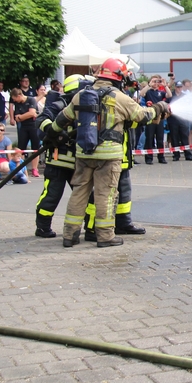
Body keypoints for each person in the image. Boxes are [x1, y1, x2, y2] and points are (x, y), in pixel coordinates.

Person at [47, 58, 167, 248]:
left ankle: (70, 235)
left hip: (84, 153)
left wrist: (51, 135)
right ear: (119, 77)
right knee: (106, 195)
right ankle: (105, 236)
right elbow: (143, 116)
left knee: (79, 192)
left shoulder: (81, 95)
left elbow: (62, 119)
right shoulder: (120, 98)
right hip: (109, 156)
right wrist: (159, 107)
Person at [34, 74, 84, 238]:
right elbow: (41, 119)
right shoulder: (58, 105)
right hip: (58, 161)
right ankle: (42, 227)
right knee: (52, 195)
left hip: (78, 162)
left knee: (85, 196)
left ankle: (90, 228)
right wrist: (54, 131)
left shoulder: (85, 107)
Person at [9, 87, 41, 178]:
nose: (15, 101)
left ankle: (34, 169)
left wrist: (22, 116)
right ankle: (20, 168)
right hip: (23, 127)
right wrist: (25, 116)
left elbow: (32, 113)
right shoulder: (18, 104)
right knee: (21, 148)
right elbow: (17, 117)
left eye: (15, 98)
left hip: (33, 126)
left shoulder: (31, 100)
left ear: (19, 96)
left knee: (35, 149)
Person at [139, 75, 170, 164]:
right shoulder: (148, 92)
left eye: (157, 81)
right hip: (150, 117)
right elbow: (141, 94)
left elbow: (169, 95)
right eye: (154, 81)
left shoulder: (161, 92)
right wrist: (149, 85)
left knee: (160, 138)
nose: (156, 83)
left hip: (159, 117)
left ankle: (161, 157)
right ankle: (149, 158)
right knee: (149, 138)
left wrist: (165, 86)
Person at [167, 80, 192, 162]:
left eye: (180, 87)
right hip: (173, 120)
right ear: (175, 87)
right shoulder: (170, 95)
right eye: (178, 87)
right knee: (174, 138)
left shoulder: (184, 96)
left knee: (184, 138)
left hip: (182, 120)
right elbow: (166, 105)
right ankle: (176, 155)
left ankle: (188, 155)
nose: (179, 88)